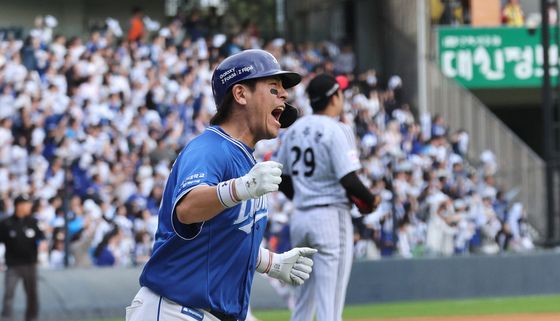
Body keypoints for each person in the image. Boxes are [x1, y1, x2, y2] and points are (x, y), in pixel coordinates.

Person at [126, 49, 317, 321]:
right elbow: (188, 209)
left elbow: (223, 237)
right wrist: (241, 188)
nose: (284, 95)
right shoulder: (210, 148)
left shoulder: (245, 162)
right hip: (175, 310)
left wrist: (270, 263)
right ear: (240, 94)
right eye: (273, 88)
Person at [275, 74, 380, 321]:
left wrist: (303, 196)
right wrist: (372, 200)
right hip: (330, 217)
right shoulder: (338, 129)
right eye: (340, 93)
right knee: (329, 306)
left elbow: (282, 178)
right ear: (334, 97)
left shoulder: (294, 130)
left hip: (300, 217)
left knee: (302, 304)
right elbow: (349, 179)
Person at [0, 195, 45, 321]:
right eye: (26, 204)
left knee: (32, 294)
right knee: (9, 293)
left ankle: (32, 318)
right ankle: (6, 317)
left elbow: (41, 238)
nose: (29, 207)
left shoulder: (33, 222)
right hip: (13, 264)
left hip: (30, 264)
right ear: (19, 205)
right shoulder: (6, 223)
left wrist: (42, 246)